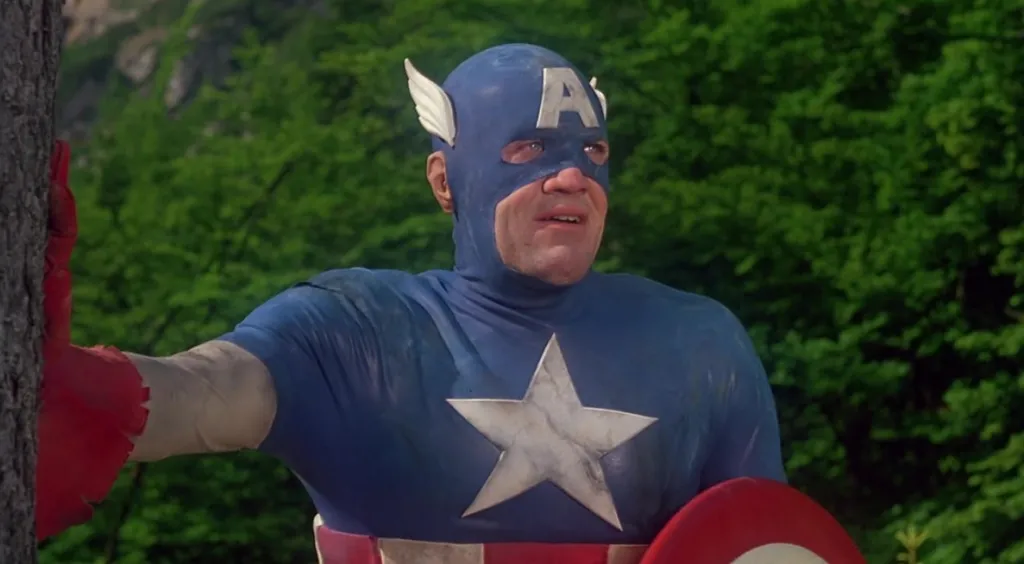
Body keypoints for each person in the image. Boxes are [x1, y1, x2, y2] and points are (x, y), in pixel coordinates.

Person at [37, 44, 785, 563]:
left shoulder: (701, 344)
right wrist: (56, 373)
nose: (571, 178)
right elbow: (197, 395)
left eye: (592, 153)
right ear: (444, 180)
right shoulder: (357, 333)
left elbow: (771, 549)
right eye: (527, 151)